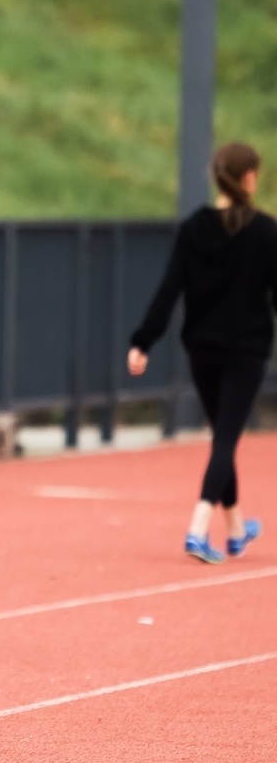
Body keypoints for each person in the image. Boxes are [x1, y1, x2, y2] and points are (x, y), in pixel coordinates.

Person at [129, 142, 276, 563]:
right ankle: (197, 528)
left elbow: (169, 288)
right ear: (249, 178)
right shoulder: (266, 231)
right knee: (227, 437)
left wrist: (143, 341)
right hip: (246, 351)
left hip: (202, 349)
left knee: (221, 437)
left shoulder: (195, 228)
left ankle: (235, 530)